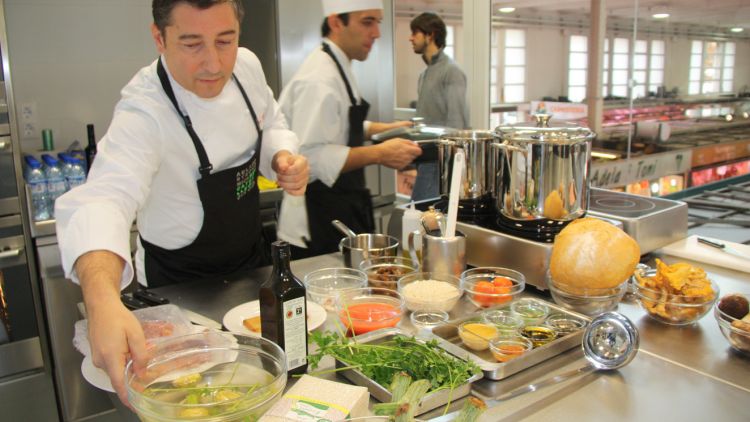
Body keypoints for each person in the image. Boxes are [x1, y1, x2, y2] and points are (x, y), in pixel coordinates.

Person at [55, 0, 309, 405]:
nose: (213, 63)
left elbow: (272, 121)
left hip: (249, 269)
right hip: (179, 289)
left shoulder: (246, 67)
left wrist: (280, 155)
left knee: (267, 393)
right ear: (159, 38)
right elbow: (105, 196)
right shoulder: (145, 110)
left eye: (225, 40)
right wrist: (101, 297)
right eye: (192, 44)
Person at [277, 0, 422, 257]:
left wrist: (385, 128)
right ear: (335, 22)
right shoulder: (319, 79)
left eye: (377, 22)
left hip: (343, 203)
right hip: (320, 216)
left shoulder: (338, 64)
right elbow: (309, 157)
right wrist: (379, 153)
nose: (376, 33)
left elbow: (338, 125)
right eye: (367, 22)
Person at [409, 11, 469, 201]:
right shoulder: (424, 74)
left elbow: (456, 124)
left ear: (431, 34)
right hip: (424, 158)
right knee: (422, 219)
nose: (410, 38)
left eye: (415, 33)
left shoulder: (452, 72)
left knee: (420, 218)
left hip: (439, 162)